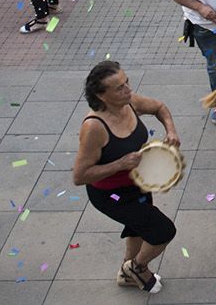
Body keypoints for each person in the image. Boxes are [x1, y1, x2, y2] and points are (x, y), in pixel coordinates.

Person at [72, 60, 179, 294]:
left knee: (138, 227)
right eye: (119, 88)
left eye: (126, 82)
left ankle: (125, 272)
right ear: (101, 95)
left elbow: (160, 107)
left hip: (138, 184)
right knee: (163, 231)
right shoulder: (94, 128)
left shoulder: (129, 102)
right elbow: (80, 176)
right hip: (110, 194)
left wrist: (170, 130)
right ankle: (137, 268)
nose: (128, 90)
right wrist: (120, 163)